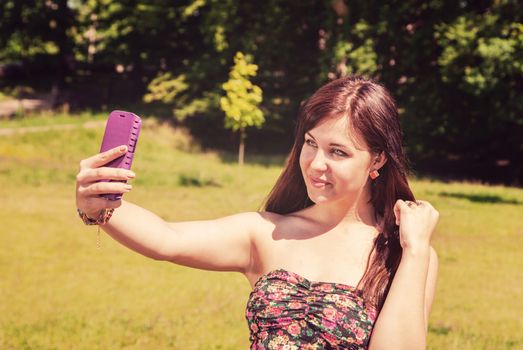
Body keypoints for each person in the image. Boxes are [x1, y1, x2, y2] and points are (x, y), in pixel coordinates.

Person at [76, 75, 439, 349]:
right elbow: (167, 239)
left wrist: (417, 250)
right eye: (311, 144)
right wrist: (99, 207)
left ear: (377, 159)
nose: (315, 164)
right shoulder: (266, 233)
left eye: (338, 152)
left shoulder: (403, 253)